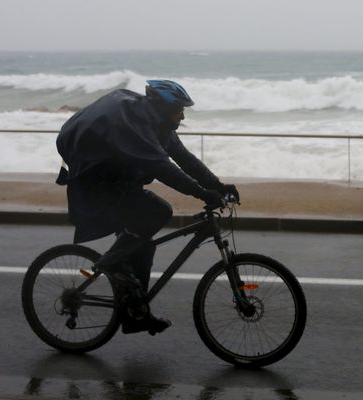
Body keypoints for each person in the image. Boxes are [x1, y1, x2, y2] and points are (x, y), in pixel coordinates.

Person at [55, 80, 239, 335]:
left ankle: (135, 314)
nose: (183, 115)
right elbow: (162, 168)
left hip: (117, 180)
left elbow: (184, 159)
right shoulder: (134, 125)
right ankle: (111, 262)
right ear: (163, 108)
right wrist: (202, 193)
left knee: (143, 245)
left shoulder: (159, 125)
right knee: (159, 211)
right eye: (179, 110)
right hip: (94, 184)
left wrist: (219, 186)